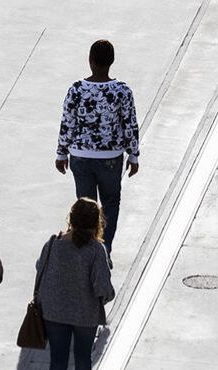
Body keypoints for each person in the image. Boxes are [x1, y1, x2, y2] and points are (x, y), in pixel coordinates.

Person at [55, 39, 140, 267]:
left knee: (86, 207)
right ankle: (104, 250)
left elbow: (67, 123)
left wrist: (62, 153)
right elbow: (130, 124)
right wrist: (133, 155)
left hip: (80, 156)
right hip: (110, 157)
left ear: (90, 60)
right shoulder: (122, 91)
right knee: (110, 203)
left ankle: (86, 252)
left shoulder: (76, 89)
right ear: (112, 61)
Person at [35, 198, 115, 370]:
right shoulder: (96, 250)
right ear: (96, 223)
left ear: (70, 219)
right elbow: (103, 287)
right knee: (82, 356)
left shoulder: (53, 243)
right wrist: (106, 297)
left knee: (57, 362)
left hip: (54, 312)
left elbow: (40, 269)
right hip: (84, 313)